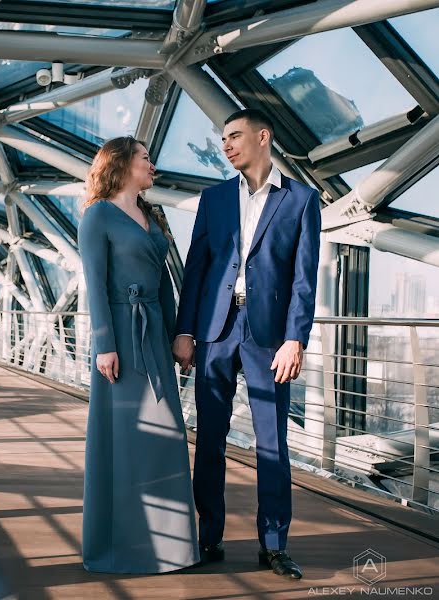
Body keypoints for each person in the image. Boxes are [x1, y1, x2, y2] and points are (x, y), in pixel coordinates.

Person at [172, 108, 321, 580]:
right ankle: (207, 537)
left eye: (235, 136)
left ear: (263, 135)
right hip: (215, 331)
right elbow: (195, 268)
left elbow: (304, 278)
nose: (227, 145)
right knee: (210, 441)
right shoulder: (213, 199)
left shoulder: (301, 200)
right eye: (223, 139)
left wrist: (295, 339)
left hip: (270, 338)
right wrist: (184, 330)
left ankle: (274, 546)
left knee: (272, 444)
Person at [79, 136, 199, 574]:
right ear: (123, 163)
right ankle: (122, 546)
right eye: (145, 158)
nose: (153, 164)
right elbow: (95, 282)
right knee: (124, 439)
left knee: (165, 435)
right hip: (121, 342)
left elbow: (164, 283)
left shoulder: (150, 215)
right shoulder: (97, 216)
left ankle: (172, 549)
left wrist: (176, 337)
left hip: (153, 337)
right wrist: (104, 345)